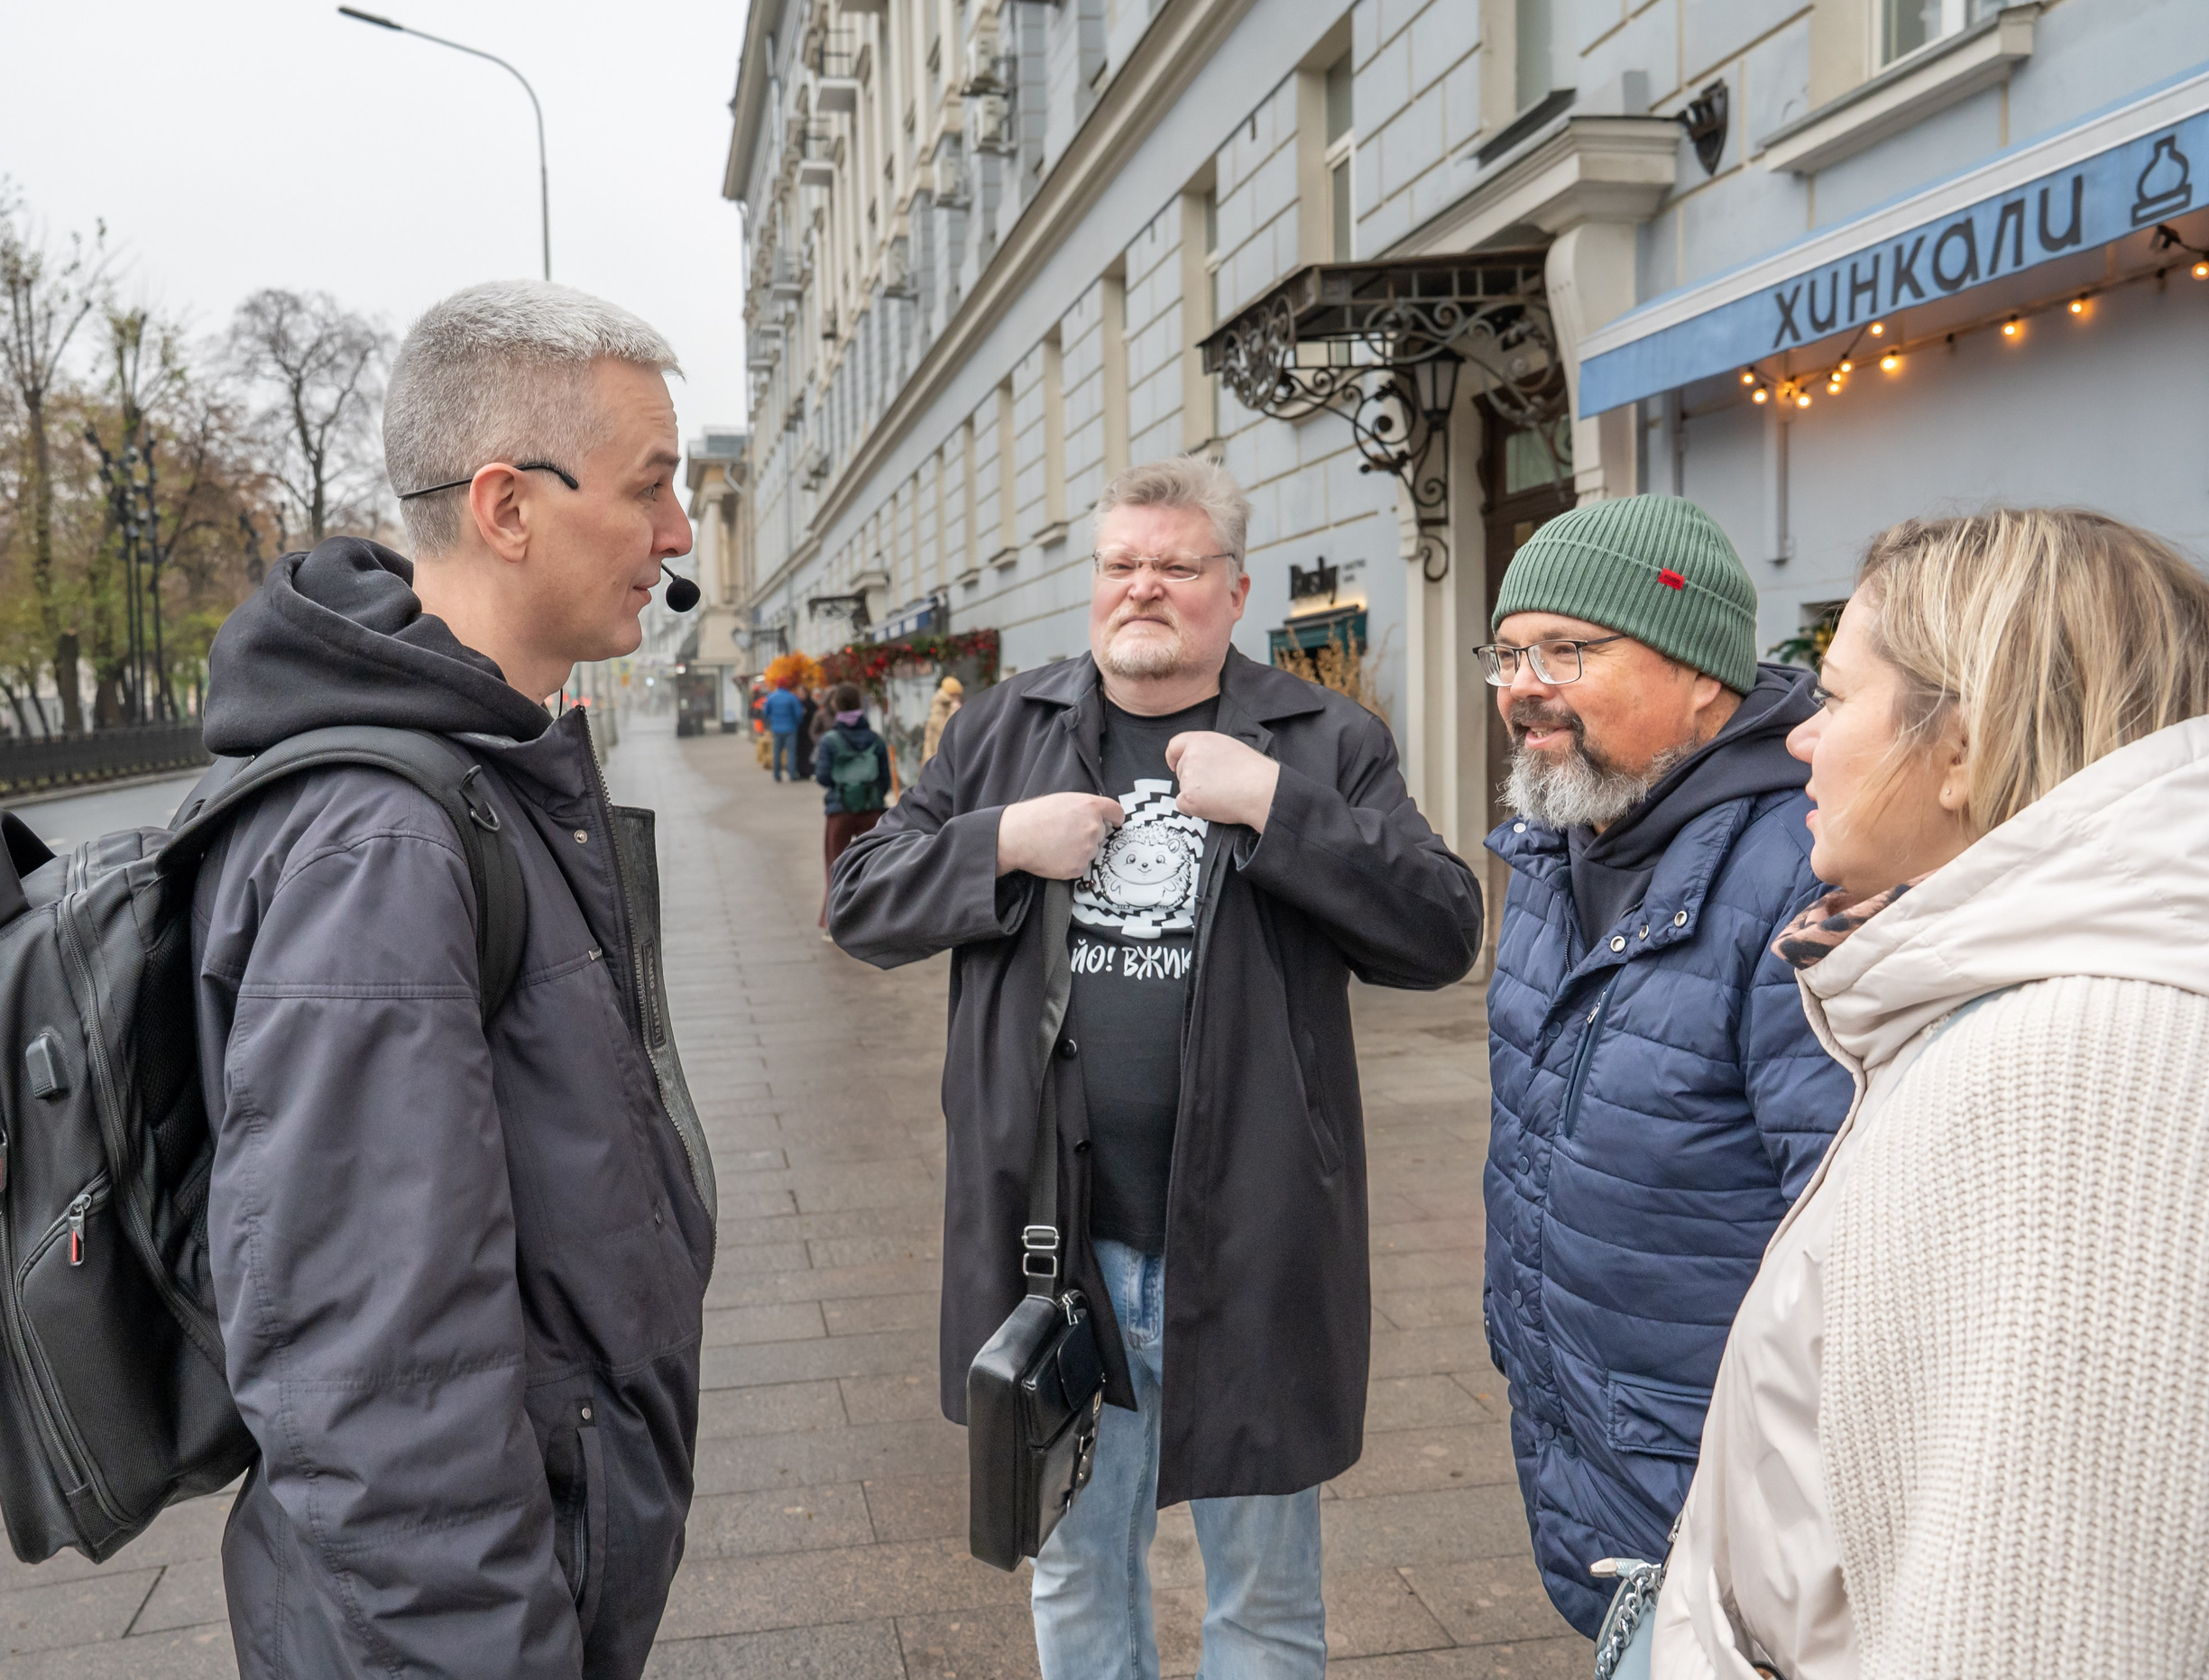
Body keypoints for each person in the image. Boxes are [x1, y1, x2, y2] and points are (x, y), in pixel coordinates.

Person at [828, 456, 1484, 1678]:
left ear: (1234, 591)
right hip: (1057, 1246)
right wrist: (1006, 840)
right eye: (1122, 563)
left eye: (1177, 566)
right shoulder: (1001, 732)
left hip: (1254, 1240)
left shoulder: (1324, 739)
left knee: (1267, 1594)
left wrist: (1281, 809)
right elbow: (859, 901)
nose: (1145, 587)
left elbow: (1441, 931)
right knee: (1080, 1574)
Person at [190, 280, 716, 1680]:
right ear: (506, 506)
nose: (677, 535)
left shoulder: (476, 776)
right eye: (651, 486)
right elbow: (372, 1360)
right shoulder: (387, 839)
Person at [1642, 509, 2209, 1678]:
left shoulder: (2076, 1068)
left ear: (1963, 743)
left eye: (1836, 697)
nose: (1801, 736)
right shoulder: (2025, 1008)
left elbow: (2044, 1629)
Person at [1479, 495, 1852, 1637]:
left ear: (1702, 673)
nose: (1522, 685)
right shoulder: (1564, 832)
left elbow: (1839, 1227)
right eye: (1506, 653)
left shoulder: (1802, 867)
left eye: (1567, 651)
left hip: (1727, 1464)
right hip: (1591, 1428)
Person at [813, 682, 890, 934]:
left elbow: (823, 777)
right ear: (860, 704)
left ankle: (835, 924)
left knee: (836, 866)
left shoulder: (830, 740)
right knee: (874, 866)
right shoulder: (875, 739)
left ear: (835, 706)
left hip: (840, 810)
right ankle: (875, 920)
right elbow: (886, 781)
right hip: (872, 811)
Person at [762, 679, 805, 779]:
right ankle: (791, 774)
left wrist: (772, 721)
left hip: (776, 729)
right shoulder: (792, 698)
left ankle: (777, 774)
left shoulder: (771, 697)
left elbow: (765, 713)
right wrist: (797, 723)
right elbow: (798, 713)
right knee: (791, 752)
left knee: (777, 752)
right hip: (791, 728)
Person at [922, 674, 963, 762]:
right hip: (938, 758)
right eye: (956, 695)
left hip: (940, 757)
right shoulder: (939, 705)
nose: (958, 698)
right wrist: (954, 711)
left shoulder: (945, 704)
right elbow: (942, 729)